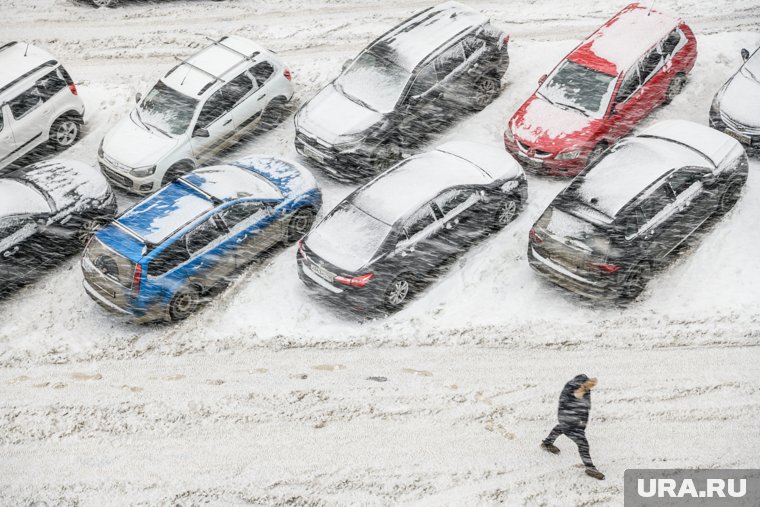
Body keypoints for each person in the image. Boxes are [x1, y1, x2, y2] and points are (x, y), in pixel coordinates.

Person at [541, 374, 605, 480]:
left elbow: (586, 408)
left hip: (574, 420)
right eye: (589, 385)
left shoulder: (586, 390)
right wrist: (574, 424)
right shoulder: (572, 389)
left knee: (560, 428)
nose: (590, 388)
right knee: (583, 443)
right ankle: (590, 468)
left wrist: (583, 423)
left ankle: (547, 443)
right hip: (567, 419)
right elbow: (568, 403)